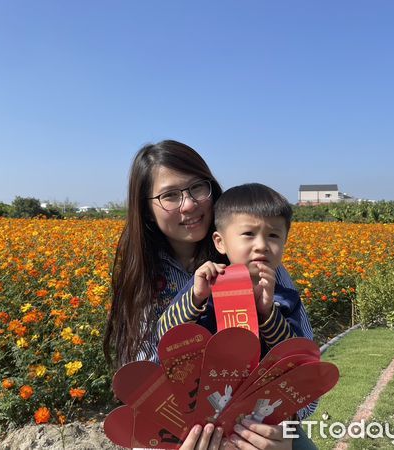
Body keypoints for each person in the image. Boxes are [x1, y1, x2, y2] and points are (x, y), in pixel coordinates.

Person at [103, 140, 317, 450]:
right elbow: (147, 376)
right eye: (170, 196)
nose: (188, 204)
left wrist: (283, 427)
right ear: (147, 210)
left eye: (196, 189)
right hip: (183, 434)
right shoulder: (143, 279)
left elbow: (303, 365)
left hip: (257, 425)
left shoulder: (258, 267)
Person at [158, 183, 304, 356]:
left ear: (284, 242)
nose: (262, 246)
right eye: (249, 234)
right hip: (205, 382)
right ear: (220, 242)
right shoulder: (205, 287)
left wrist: (268, 313)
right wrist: (196, 298)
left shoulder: (286, 299)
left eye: (273, 235)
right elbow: (164, 336)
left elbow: (295, 356)